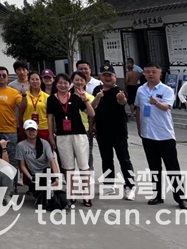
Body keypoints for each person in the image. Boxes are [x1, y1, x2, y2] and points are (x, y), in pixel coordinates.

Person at [135, 63, 187, 209]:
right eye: (147, 72)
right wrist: (139, 128)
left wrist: (156, 102)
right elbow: (138, 109)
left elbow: (166, 107)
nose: (150, 74)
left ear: (160, 74)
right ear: (144, 74)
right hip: (148, 135)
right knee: (154, 167)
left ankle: (180, 198)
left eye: (154, 72)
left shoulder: (167, 90)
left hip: (165, 135)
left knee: (172, 168)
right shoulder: (141, 90)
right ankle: (157, 195)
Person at [47, 72, 95, 207]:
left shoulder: (75, 97)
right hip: (62, 136)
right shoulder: (51, 99)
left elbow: (91, 113)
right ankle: (71, 193)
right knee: (67, 167)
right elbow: (50, 119)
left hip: (79, 134)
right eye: (60, 83)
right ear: (56, 84)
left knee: (83, 166)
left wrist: (85, 100)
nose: (63, 85)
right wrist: (51, 136)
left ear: (69, 84)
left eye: (65, 83)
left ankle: (86, 194)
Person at [91, 64, 135, 201]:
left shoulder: (120, 89)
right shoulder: (97, 90)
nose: (107, 78)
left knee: (124, 159)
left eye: (110, 75)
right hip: (102, 131)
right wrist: (92, 126)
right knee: (106, 159)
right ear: (100, 77)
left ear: (115, 76)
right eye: (104, 75)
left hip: (119, 132)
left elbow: (123, 102)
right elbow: (92, 109)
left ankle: (130, 186)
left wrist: (121, 99)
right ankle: (109, 185)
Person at [15, 119, 60, 199]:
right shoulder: (20, 145)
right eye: (28, 130)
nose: (31, 132)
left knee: (47, 172)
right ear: (24, 131)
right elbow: (22, 165)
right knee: (39, 195)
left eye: (33, 130)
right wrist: (31, 177)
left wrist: (57, 177)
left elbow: (52, 161)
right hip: (33, 176)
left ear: (37, 130)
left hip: (46, 173)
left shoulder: (45, 143)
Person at [0, 66, 20, 161]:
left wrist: (24, 95)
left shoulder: (14, 92)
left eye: (4, 75)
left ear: (8, 77)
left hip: (9, 130)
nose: (1, 77)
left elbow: (22, 106)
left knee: (11, 158)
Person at [72, 70, 96, 173]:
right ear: (72, 81)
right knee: (71, 154)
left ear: (85, 82)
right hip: (70, 129)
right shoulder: (67, 96)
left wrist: (92, 127)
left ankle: (90, 173)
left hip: (85, 128)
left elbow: (92, 114)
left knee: (87, 153)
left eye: (82, 80)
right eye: (76, 80)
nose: (79, 82)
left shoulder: (90, 97)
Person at [20, 71, 50, 140]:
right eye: (32, 79)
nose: (35, 81)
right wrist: (21, 128)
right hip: (28, 128)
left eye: (37, 79)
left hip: (43, 128)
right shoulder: (23, 95)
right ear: (28, 81)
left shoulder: (47, 97)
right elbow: (20, 113)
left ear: (41, 81)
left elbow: (50, 116)